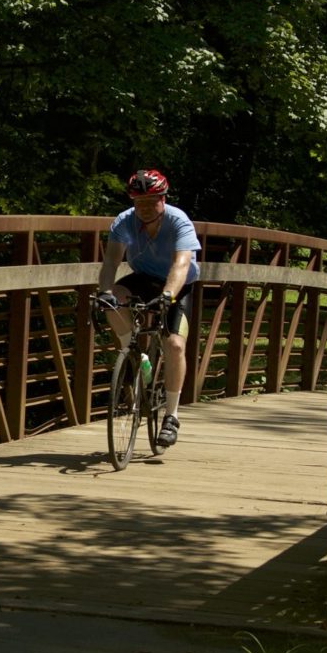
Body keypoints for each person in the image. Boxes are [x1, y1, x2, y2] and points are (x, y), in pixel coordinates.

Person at [95, 168, 200, 447]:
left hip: (178, 286)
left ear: (163, 199)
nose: (143, 208)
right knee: (114, 298)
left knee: (175, 345)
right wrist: (104, 292)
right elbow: (111, 262)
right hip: (142, 279)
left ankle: (172, 416)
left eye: (150, 201)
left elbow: (181, 264)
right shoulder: (124, 222)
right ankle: (133, 352)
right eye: (137, 202)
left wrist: (168, 295)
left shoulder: (179, 221)